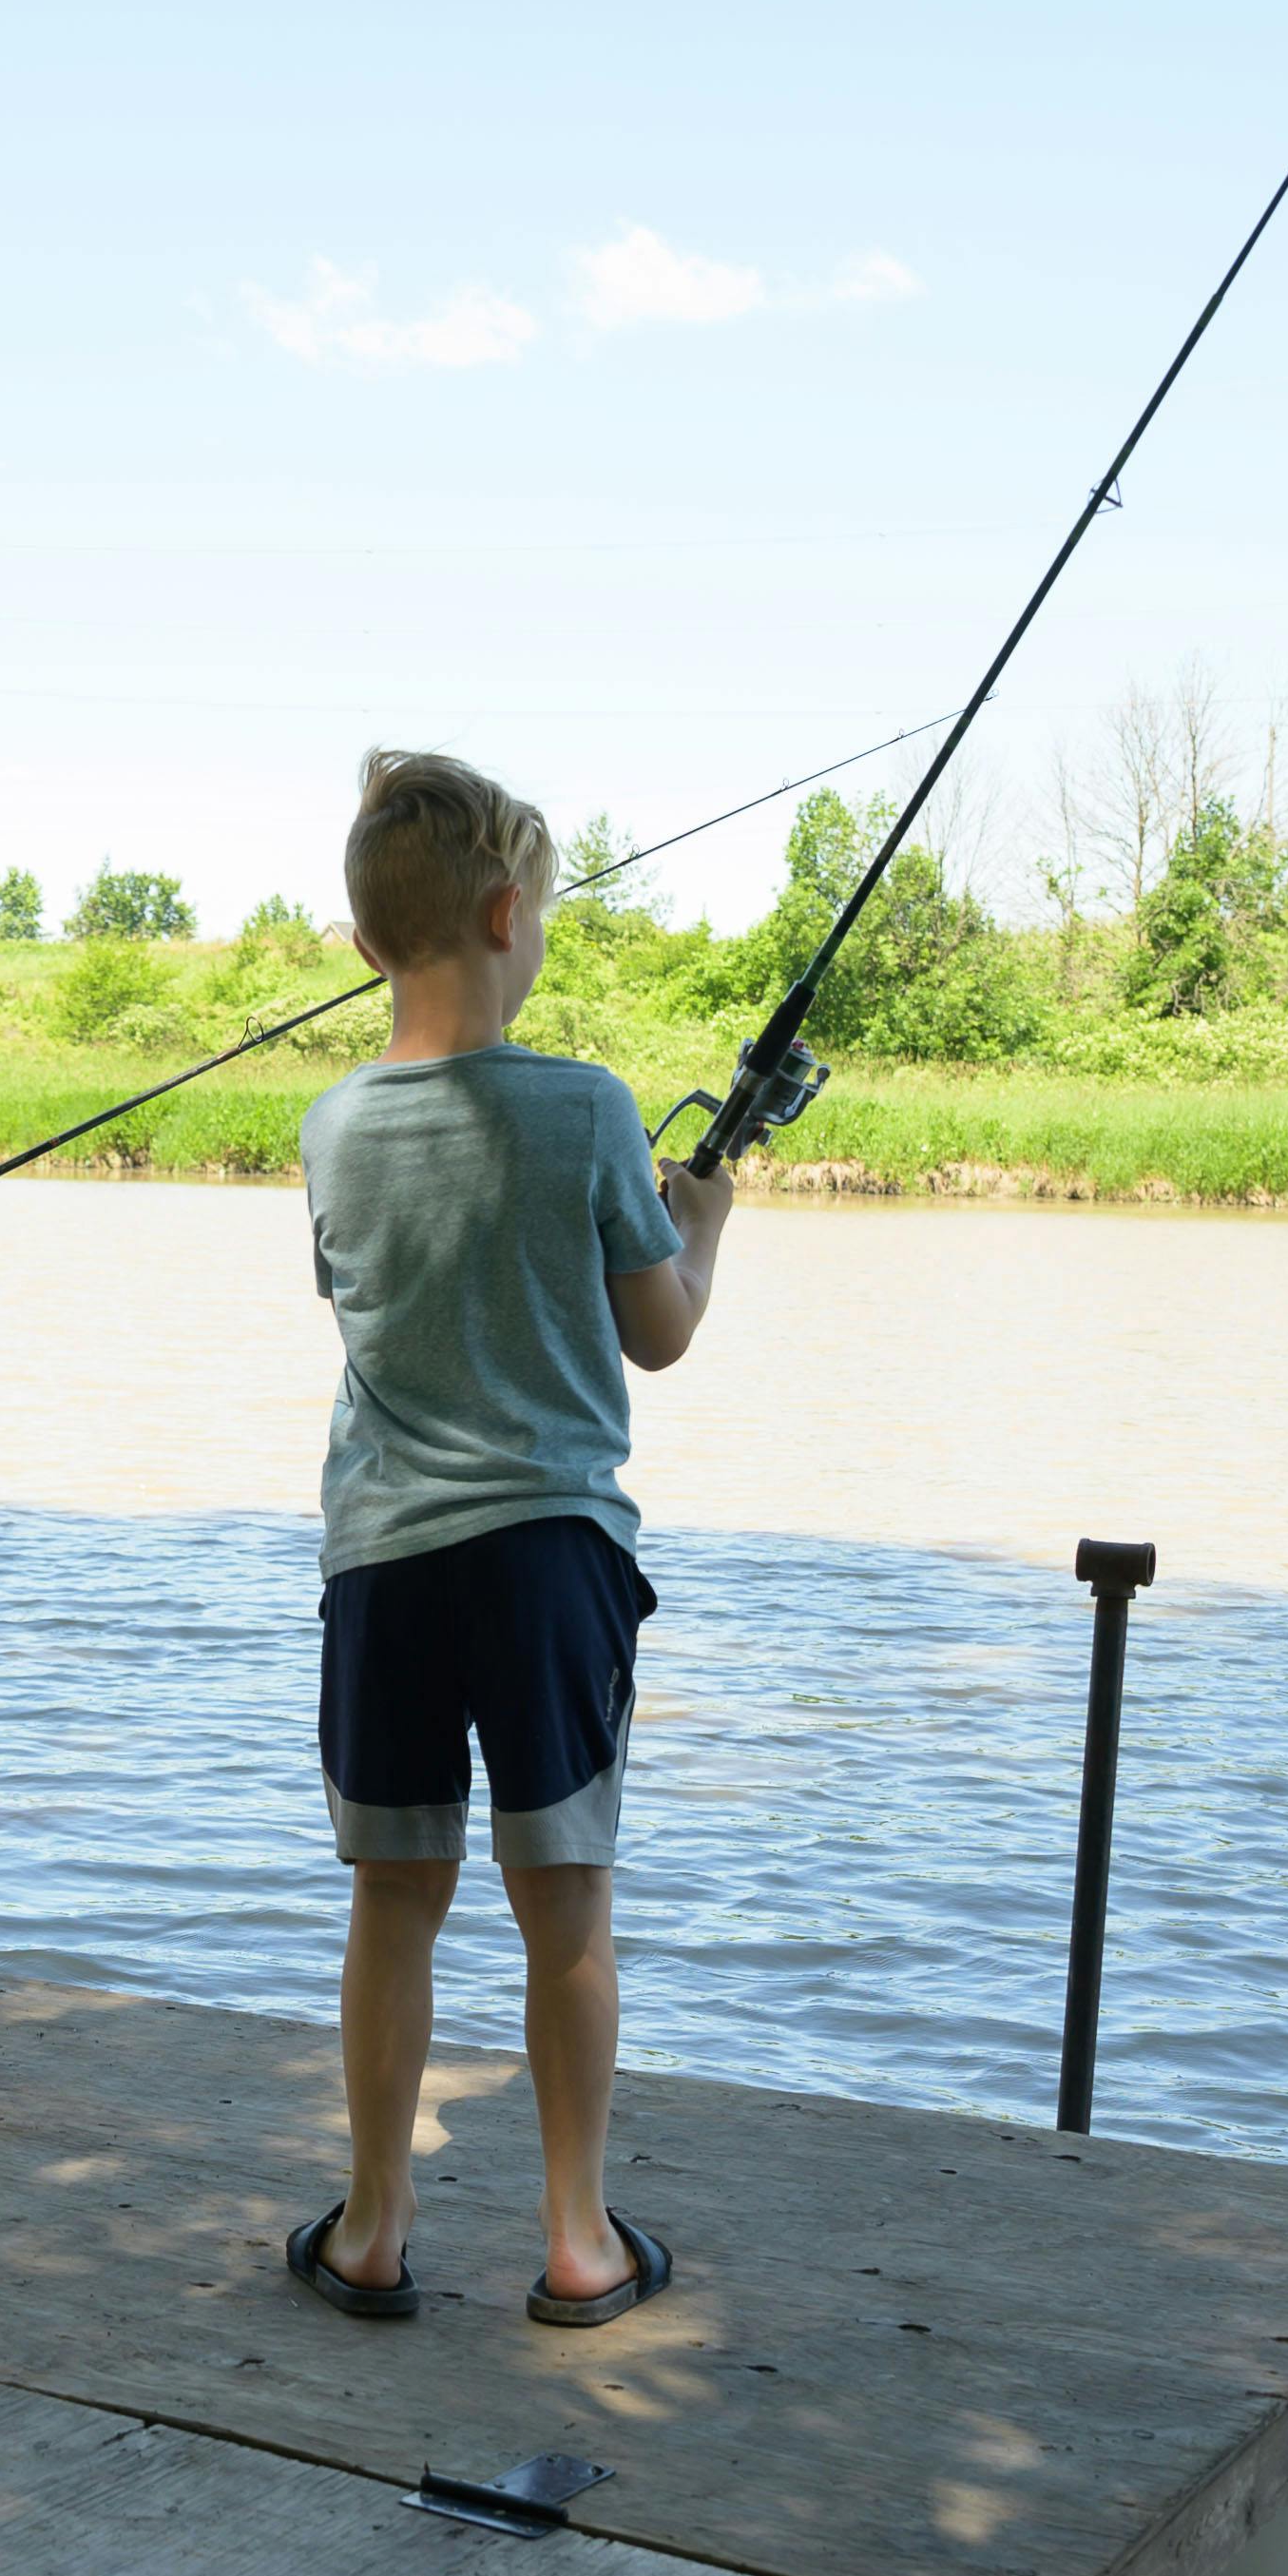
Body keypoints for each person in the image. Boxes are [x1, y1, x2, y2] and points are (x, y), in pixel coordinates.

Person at [284, 749, 731, 2327]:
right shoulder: (588, 1106)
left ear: (363, 947)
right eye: (538, 911)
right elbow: (656, 1329)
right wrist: (705, 1215)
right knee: (567, 1906)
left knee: (393, 1897)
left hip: (386, 1561)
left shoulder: (329, 1128)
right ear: (500, 910)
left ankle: (375, 2226)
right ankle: (574, 2236)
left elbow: (358, 1307)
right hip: (548, 1559)